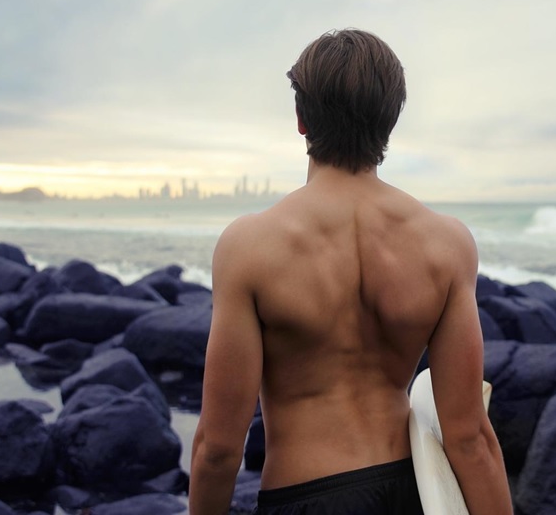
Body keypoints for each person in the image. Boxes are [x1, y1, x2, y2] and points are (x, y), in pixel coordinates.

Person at [189, 28, 513, 515]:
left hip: (302, 496)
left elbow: (218, 448)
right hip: (411, 493)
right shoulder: (446, 245)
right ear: (391, 120)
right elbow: (470, 438)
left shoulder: (250, 248)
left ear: (300, 118)